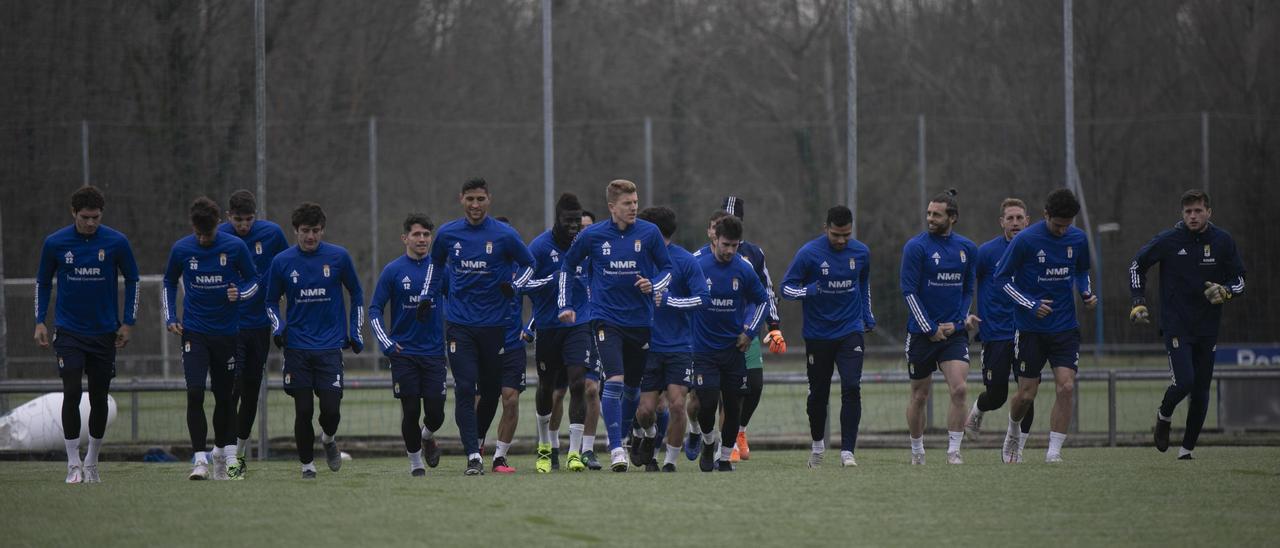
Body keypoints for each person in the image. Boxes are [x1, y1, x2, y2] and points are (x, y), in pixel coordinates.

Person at [417, 178, 535, 476]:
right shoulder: (447, 233)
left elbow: (530, 263)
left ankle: (480, 444)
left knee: (493, 391)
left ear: (489, 200)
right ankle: (473, 455)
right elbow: (435, 265)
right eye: (470, 199)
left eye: (480, 199)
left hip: (495, 327)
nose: (475, 205)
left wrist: (515, 285)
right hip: (459, 326)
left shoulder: (504, 235)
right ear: (461, 200)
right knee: (466, 388)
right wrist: (426, 296)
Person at [557, 179, 671, 472]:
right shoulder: (592, 235)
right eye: (627, 204)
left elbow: (667, 268)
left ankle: (629, 433)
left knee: (633, 390)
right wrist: (565, 304)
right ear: (612, 207)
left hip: (640, 321)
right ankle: (616, 447)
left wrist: (654, 284)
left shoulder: (650, 233)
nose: (633, 208)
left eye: (635, 203)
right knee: (615, 380)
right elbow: (568, 266)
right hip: (606, 318)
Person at [34, 185, 140, 484]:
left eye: (95, 217)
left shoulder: (116, 242)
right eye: (85, 217)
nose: (91, 223)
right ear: (74, 214)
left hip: (104, 332)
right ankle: (72, 463)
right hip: (69, 331)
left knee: (99, 397)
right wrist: (40, 321)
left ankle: (92, 460)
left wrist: (127, 322)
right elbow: (42, 281)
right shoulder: (55, 243)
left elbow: (133, 278)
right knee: (70, 392)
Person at [1129, 189, 1245, 460]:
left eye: (1198, 211)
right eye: (1188, 212)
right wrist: (1137, 300)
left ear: (1209, 212)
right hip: (1176, 324)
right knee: (1185, 382)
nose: (1193, 216)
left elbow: (1240, 278)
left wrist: (1226, 291)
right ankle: (1164, 415)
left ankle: (1186, 451)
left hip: (1207, 327)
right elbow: (1137, 264)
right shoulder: (1169, 240)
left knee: (1202, 390)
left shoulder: (1223, 241)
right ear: (1182, 214)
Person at [264, 202, 365, 479]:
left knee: (331, 411)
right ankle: (307, 465)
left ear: (323, 230)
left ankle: (329, 440)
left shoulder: (338, 257)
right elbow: (270, 301)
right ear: (295, 230)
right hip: (297, 348)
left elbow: (356, 293)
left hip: (330, 347)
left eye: (316, 231)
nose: (311, 237)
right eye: (306, 231)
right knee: (304, 409)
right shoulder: (282, 262)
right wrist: (278, 326)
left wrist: (355, 331)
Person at [996, 188, 1096, 464]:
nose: (1063, 231)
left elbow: (1081, 271)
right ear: (1045, 215)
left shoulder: (1078, 239)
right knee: (1026, 395)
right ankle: (1013, 430)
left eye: (1067, 225)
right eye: (1057, 224)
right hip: (1030, 329)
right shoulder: (1026, 240)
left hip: (1064, 327)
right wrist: (1030, 303)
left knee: (1066, 387)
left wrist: (1086, 293)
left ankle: (1053, 452)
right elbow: (1001, 279)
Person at [163, 197, 258, 480]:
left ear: (219, 224)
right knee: (194, 393)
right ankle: (199, 460)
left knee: (226, 397)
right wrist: (170, 317)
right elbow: (168, 282)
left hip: (227, 334)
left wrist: (240, 293)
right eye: (199, 234)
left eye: (209, 234)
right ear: (193, 227)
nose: (204, 240)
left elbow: (254, 281)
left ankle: (227, 460)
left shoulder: (234, 247)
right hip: (194, 331)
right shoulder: (181, 248)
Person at [780, 205, 874, 468]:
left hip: (850, 330)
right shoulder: (809, 254)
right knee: (818, 393)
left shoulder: (862, 253)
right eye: (836, 235)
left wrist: (867, 314)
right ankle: (818, 446)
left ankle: (847, 452)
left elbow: (863, 284)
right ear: (826, 229)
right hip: (818, 335)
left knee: (852, 386)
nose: (842, 240)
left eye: (846, 235)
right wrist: (808, 291)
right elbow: (786, 288)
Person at [900, 189, 979, 465]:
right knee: (920, 394)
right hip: (922, 333)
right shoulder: (916, 247)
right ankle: (917, 450)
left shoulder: (967, 249)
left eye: (937, 214)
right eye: (929, 213)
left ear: (952, 217)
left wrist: (958, 322)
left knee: (959, 389)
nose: (930, 218)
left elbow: (968, 288)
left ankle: (953, 451)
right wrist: (930, 328)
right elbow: (908, 291)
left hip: (953, 335)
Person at [218, 189, 289, 479]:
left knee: (250, 393)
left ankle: (240, 452)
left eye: (248, 219)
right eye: (238, 220)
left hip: (259, 325)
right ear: (228, 216)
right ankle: (224, 452)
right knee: (231, 390)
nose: (243, 226)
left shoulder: (272, 234)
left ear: (255, 216)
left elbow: (287, 263)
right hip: (228, 327)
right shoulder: (219, 236)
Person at [369, 213, 447, 477]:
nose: (422, 239)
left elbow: (458, 302)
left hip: (435, 352)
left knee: (436, 414)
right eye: (417, 234)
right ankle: (416, 463)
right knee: (411, 410)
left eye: (426, 234)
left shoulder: (440, 270)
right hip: (404, 353)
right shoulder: (393, 270)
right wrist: (387, 343)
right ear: (405, 238)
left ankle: (428, 436)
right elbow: (375, 309)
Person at [526, 194, 598, 473]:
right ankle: (545, 446)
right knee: (547, 388)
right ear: (557, 219)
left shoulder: (585, 245)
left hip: (579, 325)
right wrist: (551, 281)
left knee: (579, 383)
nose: (574, 226)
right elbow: (524, 282)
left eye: (577, 221)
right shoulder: (540, 246)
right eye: (568, 221)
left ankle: (574, 452)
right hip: (548, 325)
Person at [690, 215, 767, 472]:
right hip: (703, 350)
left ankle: (724, 458)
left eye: (735, 245)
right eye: (726, 244)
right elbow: (680, 297)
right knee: (708, 402)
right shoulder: (698, 265)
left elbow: (762, 300)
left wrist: (750, 331)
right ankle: (708, 442)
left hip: (734, 349)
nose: (730, 251)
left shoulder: (743, 268)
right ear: (715, 239)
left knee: (733, 406)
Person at [634, 206, 708, 472]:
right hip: (646, 347)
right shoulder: (638, 258)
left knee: (678, 404)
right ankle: (649, 433)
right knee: (644, 411)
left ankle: (669, 462)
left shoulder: (686, 261)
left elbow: (703, 299)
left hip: (678, 347)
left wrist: (669, 300)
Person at [965, 198, 1036, 462]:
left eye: (1020, 218)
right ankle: (978, 410)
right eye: (1010, 218)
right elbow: (965, 282)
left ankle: (1015, 446)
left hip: (1028, 332)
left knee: (1026, 394)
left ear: (1027, 220)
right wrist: (966, 313)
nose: (1015, 223)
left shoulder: (1035, 251)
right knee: (997, 395)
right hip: (995, 333)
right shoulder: (986, 253)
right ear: (1002, 222)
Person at [719, 196, 784, 463]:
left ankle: (741, 431)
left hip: (749, 329)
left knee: (754, 386)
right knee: (725, 390)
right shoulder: (710, 252)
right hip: (719, 330)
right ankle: (728, 441)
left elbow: (766, 291)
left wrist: (774, 326)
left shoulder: (754, 254)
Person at [481, 216, 529, 474]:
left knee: (510, 401)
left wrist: (529, 328)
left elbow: (543, 300)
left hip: (513, 344)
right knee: (481, 401)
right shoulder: (479, 267)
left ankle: (500, 457)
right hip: (483, 343)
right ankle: (475, 449)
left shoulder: (522, 268)